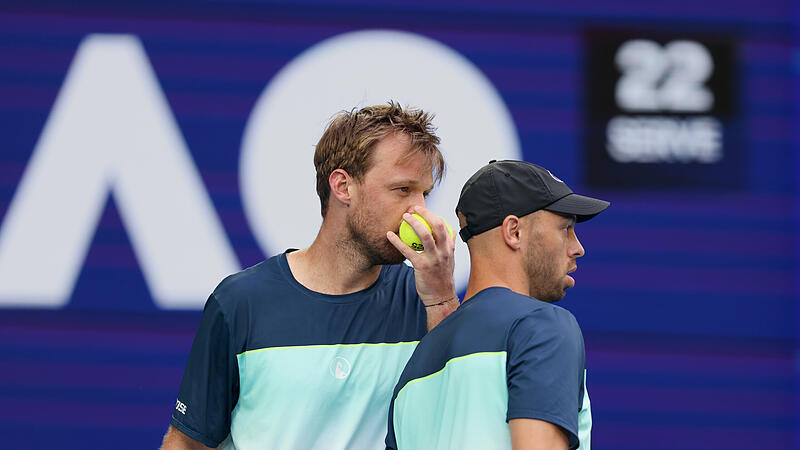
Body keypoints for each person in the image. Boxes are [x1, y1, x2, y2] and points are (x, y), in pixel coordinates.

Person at [161, 103, 459, 449]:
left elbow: (457, 419)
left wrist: (441, 299)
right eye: (403, 190)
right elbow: (186, 444)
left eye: (425, 193)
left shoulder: (429, 300)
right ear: (343, 187)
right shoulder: (240, 302)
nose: (420, 210)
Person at [386, 160, 610, 450]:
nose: (578, 247)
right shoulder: (543, 327)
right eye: (565, 228)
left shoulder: (411, 373)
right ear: (514, 231)